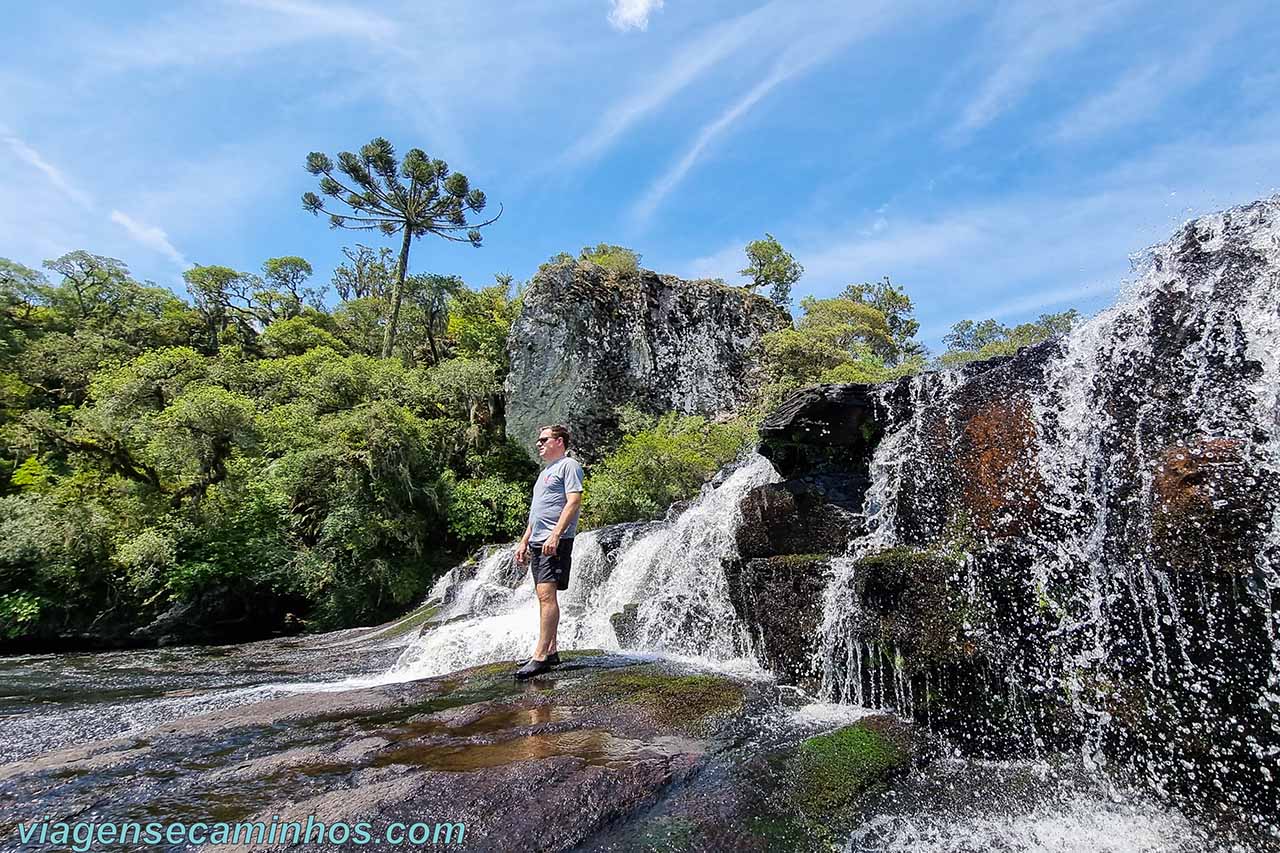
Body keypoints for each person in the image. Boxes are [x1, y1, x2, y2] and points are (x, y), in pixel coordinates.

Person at [512, 423, 585, 679]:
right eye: (539, 440)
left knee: (546, 595)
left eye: (544, 439)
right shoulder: (545, 472)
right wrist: (524, 541)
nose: (539, 444)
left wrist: (556, 534)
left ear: (560, 442)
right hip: (538, 540)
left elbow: (574, 501)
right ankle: (551, 650)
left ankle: (540, 656)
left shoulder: (569, 466)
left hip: (555, 540)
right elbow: (537, 512)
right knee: (543, 595)